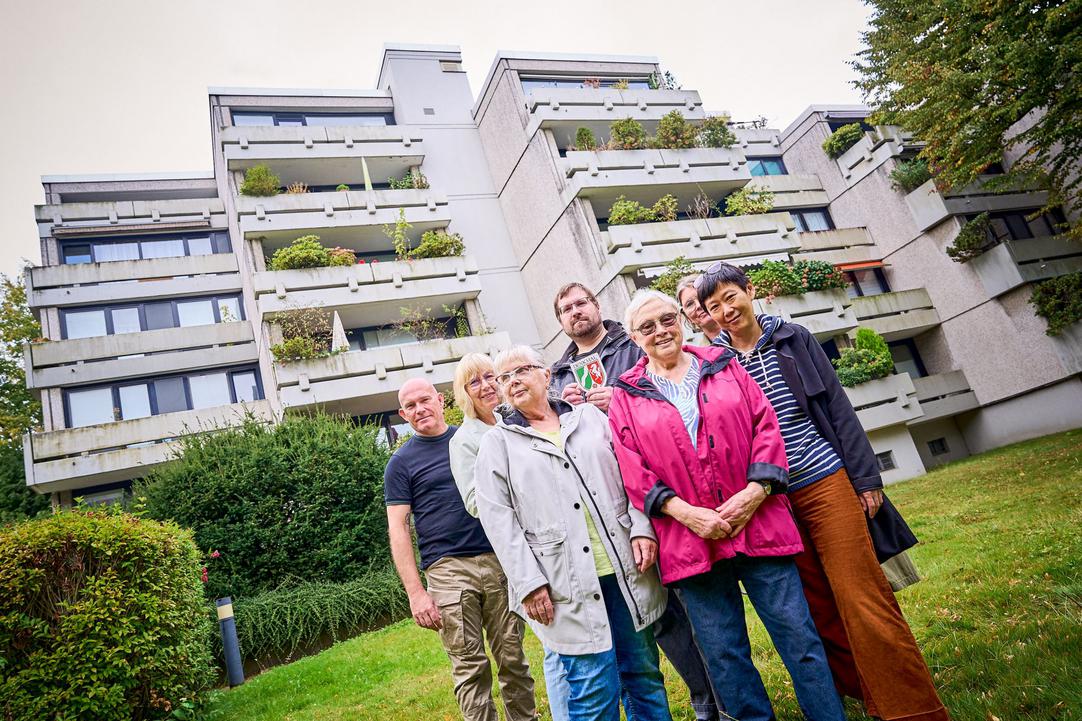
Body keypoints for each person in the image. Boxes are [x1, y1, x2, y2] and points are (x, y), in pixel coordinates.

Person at [697, 261, 949, 721]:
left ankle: (913, 710)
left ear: (749, 291)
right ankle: (868, 696)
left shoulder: (793, 338)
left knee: (860, 594)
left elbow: (836, 404)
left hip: (822, 478)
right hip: (770, 500)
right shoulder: (713, 363)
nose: (725, 311)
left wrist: (866, 476)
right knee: (816, 606)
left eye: (731, 298)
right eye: (714, 307)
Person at [608, 289, 847, 721]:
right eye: (647, 327)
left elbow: (766, 427)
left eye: (666, 319)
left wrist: (756, 493)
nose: (660, 331)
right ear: (632, 338)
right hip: (690, 540)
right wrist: (685, 513)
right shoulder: (626, 394)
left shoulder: (722, 364)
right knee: (725, 657)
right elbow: (633, 468)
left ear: (680, 319)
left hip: (760, 524)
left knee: (801, 641)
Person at [549, 282, 724, 721]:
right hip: (614, 502)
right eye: (566, 309)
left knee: (691, 600)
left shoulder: (634, 342)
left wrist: (621, 400)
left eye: (581, 303)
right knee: (658, 614)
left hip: (661, 486)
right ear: (560, 321)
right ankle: (705, 699)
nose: (576, 312)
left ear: (596, 306)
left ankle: (724, 699)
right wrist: (568, 407)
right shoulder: (557, 374)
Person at [474, 345, 671, 721]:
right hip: (563, 584)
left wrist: (643, 527)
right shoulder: (497, 445)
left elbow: (633, 473)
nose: (512, 381)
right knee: (592, 689)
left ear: (547, 375)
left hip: (626, 568)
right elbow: (499, 522)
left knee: (644, 676)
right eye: (504, 378)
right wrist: (529, 583)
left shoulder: (590, 419)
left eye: (521, 370)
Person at [385, 378, 537, 721]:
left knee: (513, 660)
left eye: (424, 400)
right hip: (448, 572)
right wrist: (416, 594)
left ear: (441, 400)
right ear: (402, 414)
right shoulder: (401, 463)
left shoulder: (473, 439)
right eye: (410, 406)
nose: (419, 409)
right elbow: (398, 529)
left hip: (498, 560)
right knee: (470, 669)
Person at [449, 353, 571, 721]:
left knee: (553, 643)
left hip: (557, 536)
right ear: (464, 393)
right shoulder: (466, 440)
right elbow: (475, 503)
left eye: (490, 377)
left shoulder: (518, 420)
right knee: (556, 642)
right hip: (517, 549)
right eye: (475, 382)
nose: (486, 386)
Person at [675, 275, 722, 345]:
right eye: (690, 304)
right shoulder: (698, 355)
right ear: (688, 317)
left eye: (702, 296)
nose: (699, 305)